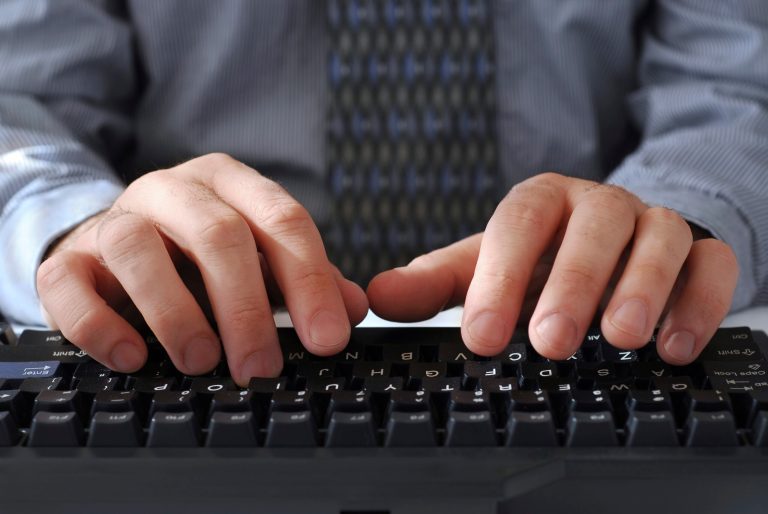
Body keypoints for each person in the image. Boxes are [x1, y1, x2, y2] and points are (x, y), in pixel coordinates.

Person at [0, 1, 766, 388]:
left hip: (579, 330)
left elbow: (737, 80)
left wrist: (672, 222)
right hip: (196, 329)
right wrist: (79, 229)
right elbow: (18, 102)